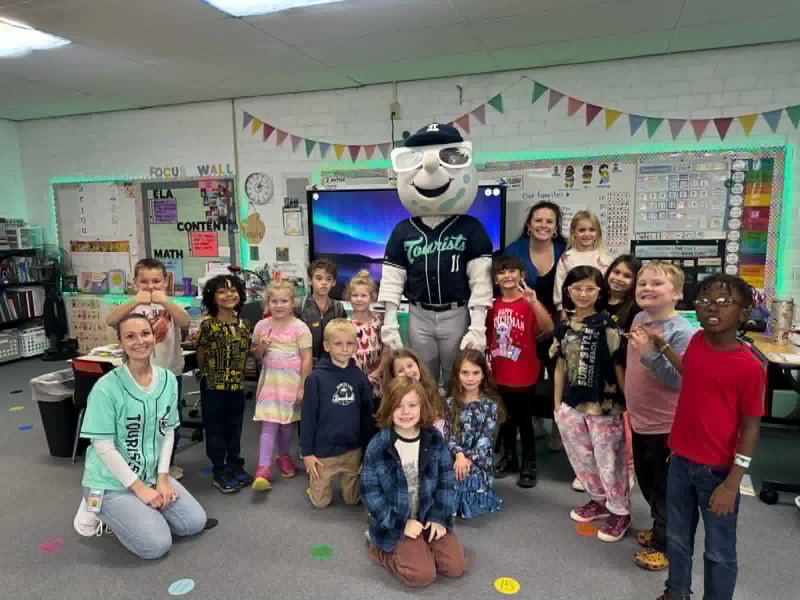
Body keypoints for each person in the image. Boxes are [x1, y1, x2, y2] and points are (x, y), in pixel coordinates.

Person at [655, 275, 763, 600]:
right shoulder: (698, 342)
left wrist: (733, 483)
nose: (711, 307)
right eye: (703, 301)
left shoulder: (749, 366)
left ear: (743, 313)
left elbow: (752, 426)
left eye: (723, 301)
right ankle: (677, 592)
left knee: (718, 551)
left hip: (718, 473)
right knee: (677, 538)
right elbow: (692, 373)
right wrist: (661, 347)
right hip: (681, 460)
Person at [75, 313, 207, 559]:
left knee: (193, 523)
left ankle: (137, 512)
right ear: (121, 342)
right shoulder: (106, 388)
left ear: (154, 337)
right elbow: (103, 447)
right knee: (156, 545)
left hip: (149, 474)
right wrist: (139, 489)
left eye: (145, 334)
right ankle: (96, 508)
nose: (140, 341)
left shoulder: (167, 379)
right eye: (130, 336)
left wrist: (163, 479)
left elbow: (168, 431)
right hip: (110, 483)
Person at [361, 376, 467, 588]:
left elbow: (446, 481)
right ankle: (378, 549)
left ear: (422, 407)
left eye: (412, 405)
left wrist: (438, 517)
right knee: (422, 576)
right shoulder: (378, 445)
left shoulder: (434, 438)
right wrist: (401, 524)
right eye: (398, 406)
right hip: (395, 523)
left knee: (456, 566)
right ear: (388, 408)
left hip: (428, 517)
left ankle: (420, 547)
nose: (405, 412)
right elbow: (370, 495)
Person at [550, 265, 630, 542]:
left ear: (599, 292)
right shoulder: (563, 327)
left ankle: (620, 511)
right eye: (576, 288)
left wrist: (628, 406)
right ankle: (597, 499)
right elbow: (559, 367)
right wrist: (557, 404)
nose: (583, 294)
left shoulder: (608, 326)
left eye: (589, 288)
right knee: (581, 458)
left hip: (605, 407)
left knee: (609, 460)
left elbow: (619, 367)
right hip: (572, 405)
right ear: (568, 292)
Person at [625, 262, 695, 571]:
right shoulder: (640, 318)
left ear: (677, 293)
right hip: (640, 419)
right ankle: (659, 528)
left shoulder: (682, 332)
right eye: (642, 283)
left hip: (665, 425)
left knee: (666, 488)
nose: (647, 288)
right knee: (647, 480)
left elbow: (679, 379)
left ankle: (665, 546)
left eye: (657, 284)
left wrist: (649, 353)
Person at [106, 257, 190, 480]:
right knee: (140, 420)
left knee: (170, 420)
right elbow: (111, 320)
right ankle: (140, 464)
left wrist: (166, 302)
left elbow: (184, 322)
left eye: (156, 281)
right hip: (137, 374)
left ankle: (167, 465)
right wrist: (135, 301)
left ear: (165, 282)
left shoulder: (171, 306)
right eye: (144, 282)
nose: (151, 286)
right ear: (135, 283)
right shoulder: (131, 307)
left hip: (170, 372)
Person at [503, 200, 568, 451]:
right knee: (525, 378)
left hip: (559, 324)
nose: (543, 225)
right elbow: (505, 287)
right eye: (538, 220)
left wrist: (554, 326)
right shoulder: (514, 250)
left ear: (556, 226)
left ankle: (559, 430)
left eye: (549, 221)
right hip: (522, 324)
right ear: (529, 225)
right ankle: (531, 422)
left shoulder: (565, 251)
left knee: (558, 379)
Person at [487, 255, 553, 488]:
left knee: (524, 420)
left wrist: (534, 302)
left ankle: (529, 463)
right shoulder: (493, 305)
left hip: (524, 373)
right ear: (495, 278)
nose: (507, 276)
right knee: (505, 420)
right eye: (502, 272)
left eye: (512, 271)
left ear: (521, 275)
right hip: (499, 371)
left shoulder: (528, 302)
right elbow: (488, 337)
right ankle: (509, 458)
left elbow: (548, 328)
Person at [300, 318, 375, 507]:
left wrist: (367, 449)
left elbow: (367, 415)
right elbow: (307, 418)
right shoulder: (315, 379)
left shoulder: (359, 377)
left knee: (352, 500)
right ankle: (314, 487)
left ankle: (347, 483)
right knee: (320, 503)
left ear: (355, 346)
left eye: (349, 344)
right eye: (338, 343)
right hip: (324, 451)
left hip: (352, 449)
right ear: (327, 346)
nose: (344, 349)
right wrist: (307, 453)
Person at [251, 280, 313, 491]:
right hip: (270, 382)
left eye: (284, 301)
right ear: (267, 302)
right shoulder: (261, 326)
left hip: (291, 383)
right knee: (268, 425)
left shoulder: (300, 328)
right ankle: (263, 469)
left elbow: (307, 359)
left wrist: (303, 387)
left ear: (292, 302)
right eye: (274, 301)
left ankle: (284, 456)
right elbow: (256, 356)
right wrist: (261, 346)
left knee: (287, 425)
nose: (279, 305)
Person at [195, 274, 253, 493]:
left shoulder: (244, 325)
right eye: (222, 291)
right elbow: (201, 355)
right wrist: (210, 376)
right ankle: (219, 469)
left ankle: (235, 464)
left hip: (236, 386)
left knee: (235, 428)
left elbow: (246, 351)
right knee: (216, 430)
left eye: (233, 290)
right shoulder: (208, 325)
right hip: (214, 387)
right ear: (212, 297)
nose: (229, 294)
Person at [443, 349, 503, 519]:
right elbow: (449, 434)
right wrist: (459, 455)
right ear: (457, 374)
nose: (470, 378)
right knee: (447, 480)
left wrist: (468, 458)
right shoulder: (450, 403)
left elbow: (486, 438)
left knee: (469, 482)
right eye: (465, 373)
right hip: (455, 456)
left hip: (478, 459)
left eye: (476, 373)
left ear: (483, 374)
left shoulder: (490, 405)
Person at [602, 254, 643, 495]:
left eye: (627, 275)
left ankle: (626, 469)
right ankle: (599, 471)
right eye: (616, 272)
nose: (619, 279)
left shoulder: (635, 309)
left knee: (622, 425)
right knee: (601, 425)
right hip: (598, 372)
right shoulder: (597, 300)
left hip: (623, 371)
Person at [553, 210, 613, 322]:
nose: (587, 234)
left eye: (592, 230)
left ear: (598, 233)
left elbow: (608, 287)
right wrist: (561, 308)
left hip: (599, 312)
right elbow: (559, 284)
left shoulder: (605, 258)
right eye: (581, 230)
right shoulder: (567, 257)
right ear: (573, 232)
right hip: (572, 313)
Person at [382, 347, 446, 433]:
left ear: (418, 365)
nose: (408, 372)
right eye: (400, 370)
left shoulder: (431, 391)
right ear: (393, 376)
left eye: (410, 366)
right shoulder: (392, 399)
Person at [297, 258, 346, 366]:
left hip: (332, 365)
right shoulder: (300, 306)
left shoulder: (338, 308)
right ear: (310, 280)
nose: (324, 283)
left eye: (328, 279)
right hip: (304, 363)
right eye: (319, 278)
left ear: (334, 282)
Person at [346, 270, 386, 400]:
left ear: (372, 297)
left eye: (363, 295)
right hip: (356, 379)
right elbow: (347, 354)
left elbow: (387, 350)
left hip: (378, 377)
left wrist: (378, 372)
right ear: (349, 297)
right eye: (355, 295)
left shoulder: (379, 320)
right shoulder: (346, 324)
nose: (359, 299)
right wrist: (363, 378)